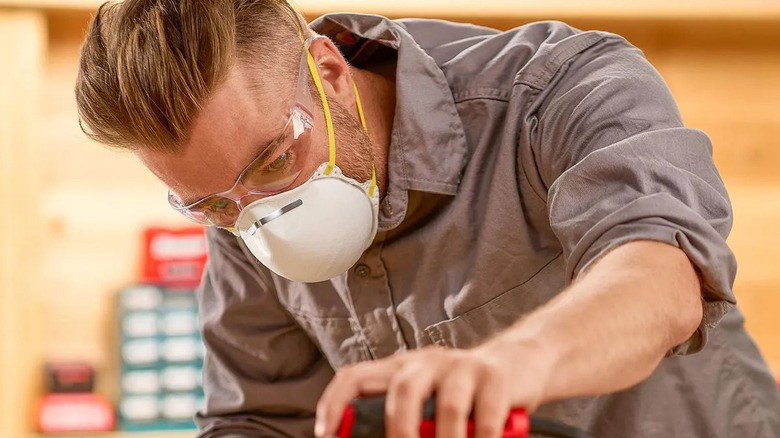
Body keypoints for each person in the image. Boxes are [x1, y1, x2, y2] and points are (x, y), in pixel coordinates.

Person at [75, 1, 780, 437]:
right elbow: (259, 420)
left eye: (273, 163)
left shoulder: (555, 90)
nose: (259, 215)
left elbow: (660, 268)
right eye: (210, 205)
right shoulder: (239, 211)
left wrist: (511, 364)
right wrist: (232, 201)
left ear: (329, 73)